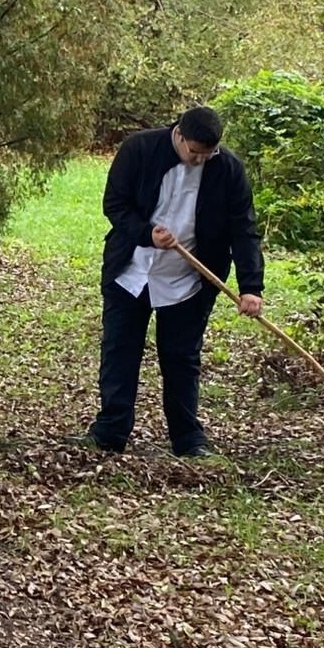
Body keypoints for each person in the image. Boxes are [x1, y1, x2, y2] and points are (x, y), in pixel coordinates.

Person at [75, 106, 263, 457]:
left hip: (189, 278)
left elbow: (244, 230)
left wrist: (251, 287)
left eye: (208, 154)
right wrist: (147, 234)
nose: (200, 160)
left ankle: (187, 438)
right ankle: (110, 433)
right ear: (178, 135)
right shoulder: (138, 149)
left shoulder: (229, 170)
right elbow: (115, 205)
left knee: (181, 357)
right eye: (194, 152)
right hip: (132, 270)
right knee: (120, 350)